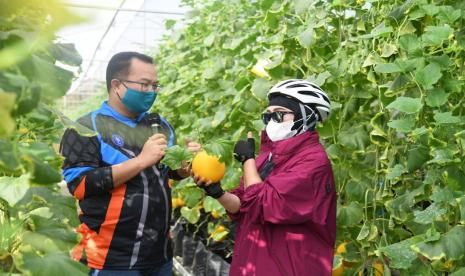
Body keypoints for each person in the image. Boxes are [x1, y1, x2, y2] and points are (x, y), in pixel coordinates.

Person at [60, 52, 200, 275]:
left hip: (159, 254)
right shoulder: (85, 127)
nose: (151, 91)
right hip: (109, 259)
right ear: (117, 85)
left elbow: (166, 172)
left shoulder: (159, 124)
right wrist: (141, 161)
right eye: (144, 85)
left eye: (155, 85)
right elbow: (80, 185)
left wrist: (184, 168)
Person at [193, 79, 336, 276]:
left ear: (306, 116)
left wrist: (248, 160)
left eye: (279, 114)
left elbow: (262, 203)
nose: (271, 122)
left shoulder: (313, 162)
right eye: (267, 116)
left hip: (289, 268)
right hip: (253, 263)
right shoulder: (268, 156)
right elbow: (244, 206)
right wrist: (217, 192)